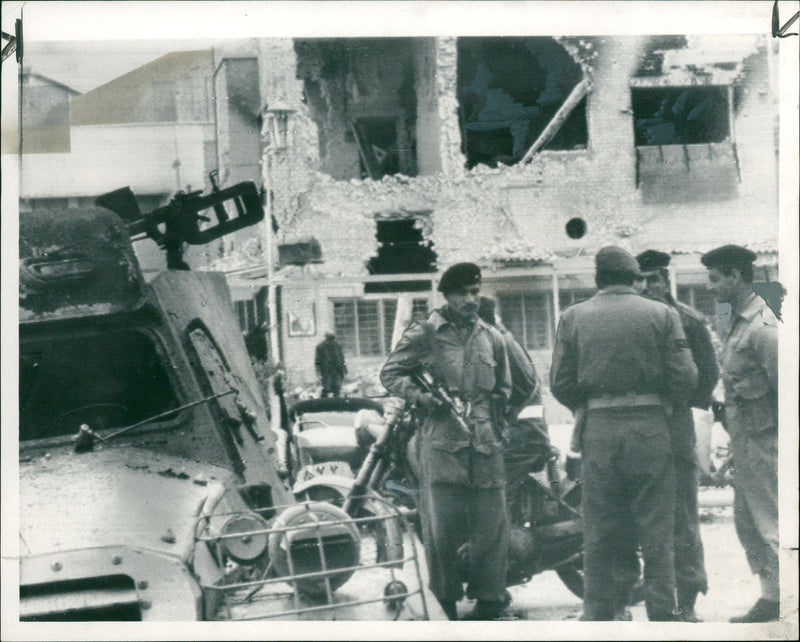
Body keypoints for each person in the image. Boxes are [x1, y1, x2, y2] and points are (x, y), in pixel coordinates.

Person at [550, 246, 698, 621]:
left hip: (599, 431)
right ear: (634, 277)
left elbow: (560, 381)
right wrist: (665, 403)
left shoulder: (572, 317)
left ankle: (602, 610)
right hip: (651, 429)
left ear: (598, 279)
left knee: (601, 528)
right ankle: (663, 612)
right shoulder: (665, 315)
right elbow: (687, 373)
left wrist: (589, 406)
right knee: (657, 527)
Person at [380, 263, 513, 620]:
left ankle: (490, 600)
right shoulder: (425, 333)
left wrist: (494, 424)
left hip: (485, 442)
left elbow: (505, 389)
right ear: (448, 296)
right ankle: (446, 604)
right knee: (441, 529)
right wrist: (421, 398)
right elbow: (390, 373)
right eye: (464, 293)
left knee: (491, 525)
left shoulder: (491, 336)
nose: (472, 299)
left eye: (476, 292)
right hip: (441, 441)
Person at [635, 249, 720, 621]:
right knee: (641, 515)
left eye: (656, 278)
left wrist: (680, 405)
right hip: (638, 429)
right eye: (643, 279)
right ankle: (651, 598)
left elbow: (709, 374)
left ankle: (686, 599)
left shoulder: (688, 321)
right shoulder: (632, 322)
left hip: (676, 427)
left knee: (683, 517)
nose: (650, 286)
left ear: (666, 280)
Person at [701, 245, 779, 623]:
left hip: (768, 442)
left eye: (715, 279)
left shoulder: (764, 326)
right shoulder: (735, 320)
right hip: (745, 440)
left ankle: (786, 596)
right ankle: (772, 595)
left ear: (734, 276)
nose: (710, 287)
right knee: (749, 522)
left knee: (773, 521)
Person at [477, 296, 551, 519]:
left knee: (489, 491)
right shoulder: (501, 340)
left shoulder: (495, 344)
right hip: (523, 430)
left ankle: (499, 546)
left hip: (523, 434)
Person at [315, 331, 347, 397]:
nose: (331, 340)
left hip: (337, 370)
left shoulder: (338, 345)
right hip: (326, 371)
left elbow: (342, 358)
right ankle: (325, 403)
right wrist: (318, 373)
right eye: (329, 338)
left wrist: (344, 369)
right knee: (326, 389)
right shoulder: (320, 347)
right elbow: (317, 361)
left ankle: (337, 403)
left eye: (332, 338)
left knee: (337, 388)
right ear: (326, 338)